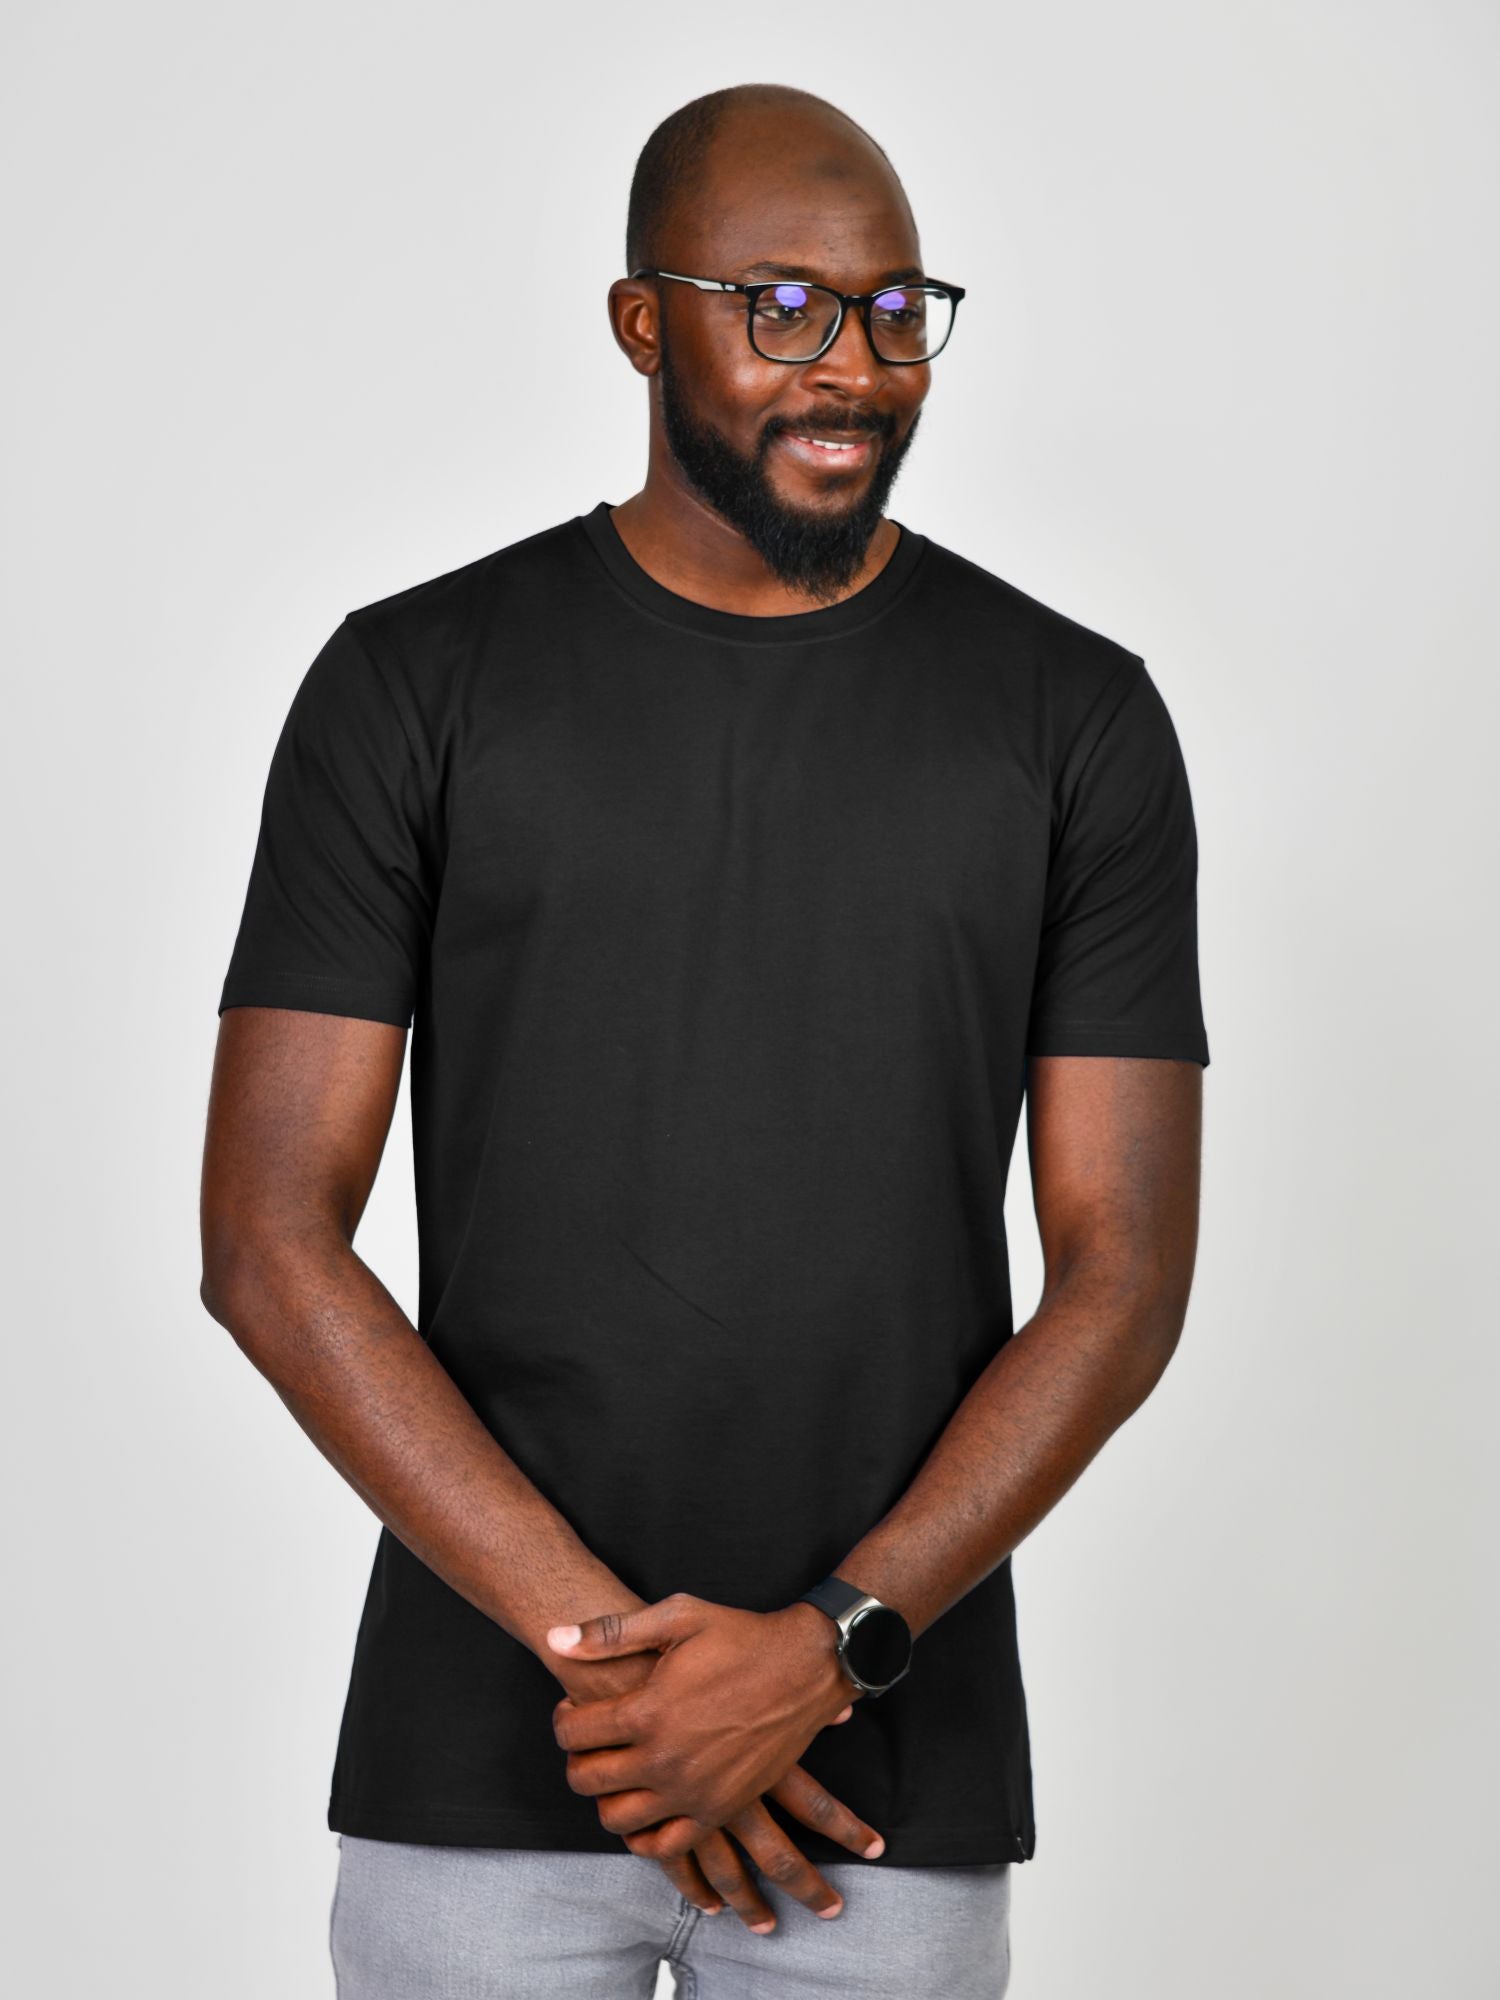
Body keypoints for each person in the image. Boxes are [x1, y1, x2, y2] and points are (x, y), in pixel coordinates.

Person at [200, 80, 1208, 2000]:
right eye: (786, 305)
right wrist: (631, 1678)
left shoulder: (1075, 719)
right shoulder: (410, 685)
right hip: (478, 1776)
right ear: (643, 322)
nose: (856, 364)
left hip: (882, 1799)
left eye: (899, 310)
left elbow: (1124, 1275)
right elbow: (265, 1237)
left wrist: (823, 1650)